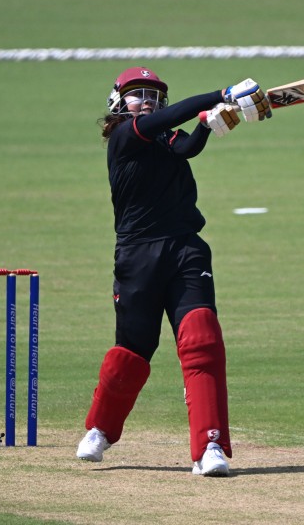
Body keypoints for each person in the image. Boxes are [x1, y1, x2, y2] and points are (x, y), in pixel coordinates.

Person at [76, 66, 272, 476]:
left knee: (202, 339)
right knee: (132, 352)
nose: (146, 99)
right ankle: (100, 429)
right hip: (137, 256)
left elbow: (185, 149)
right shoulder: (125, 135)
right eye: (137, 93)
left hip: (185, 248)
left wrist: (210, 122)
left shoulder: (164, 137)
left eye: (153, 94)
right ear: (118, 103)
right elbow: (169, 118)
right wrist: (221, 93)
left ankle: (209, 447)